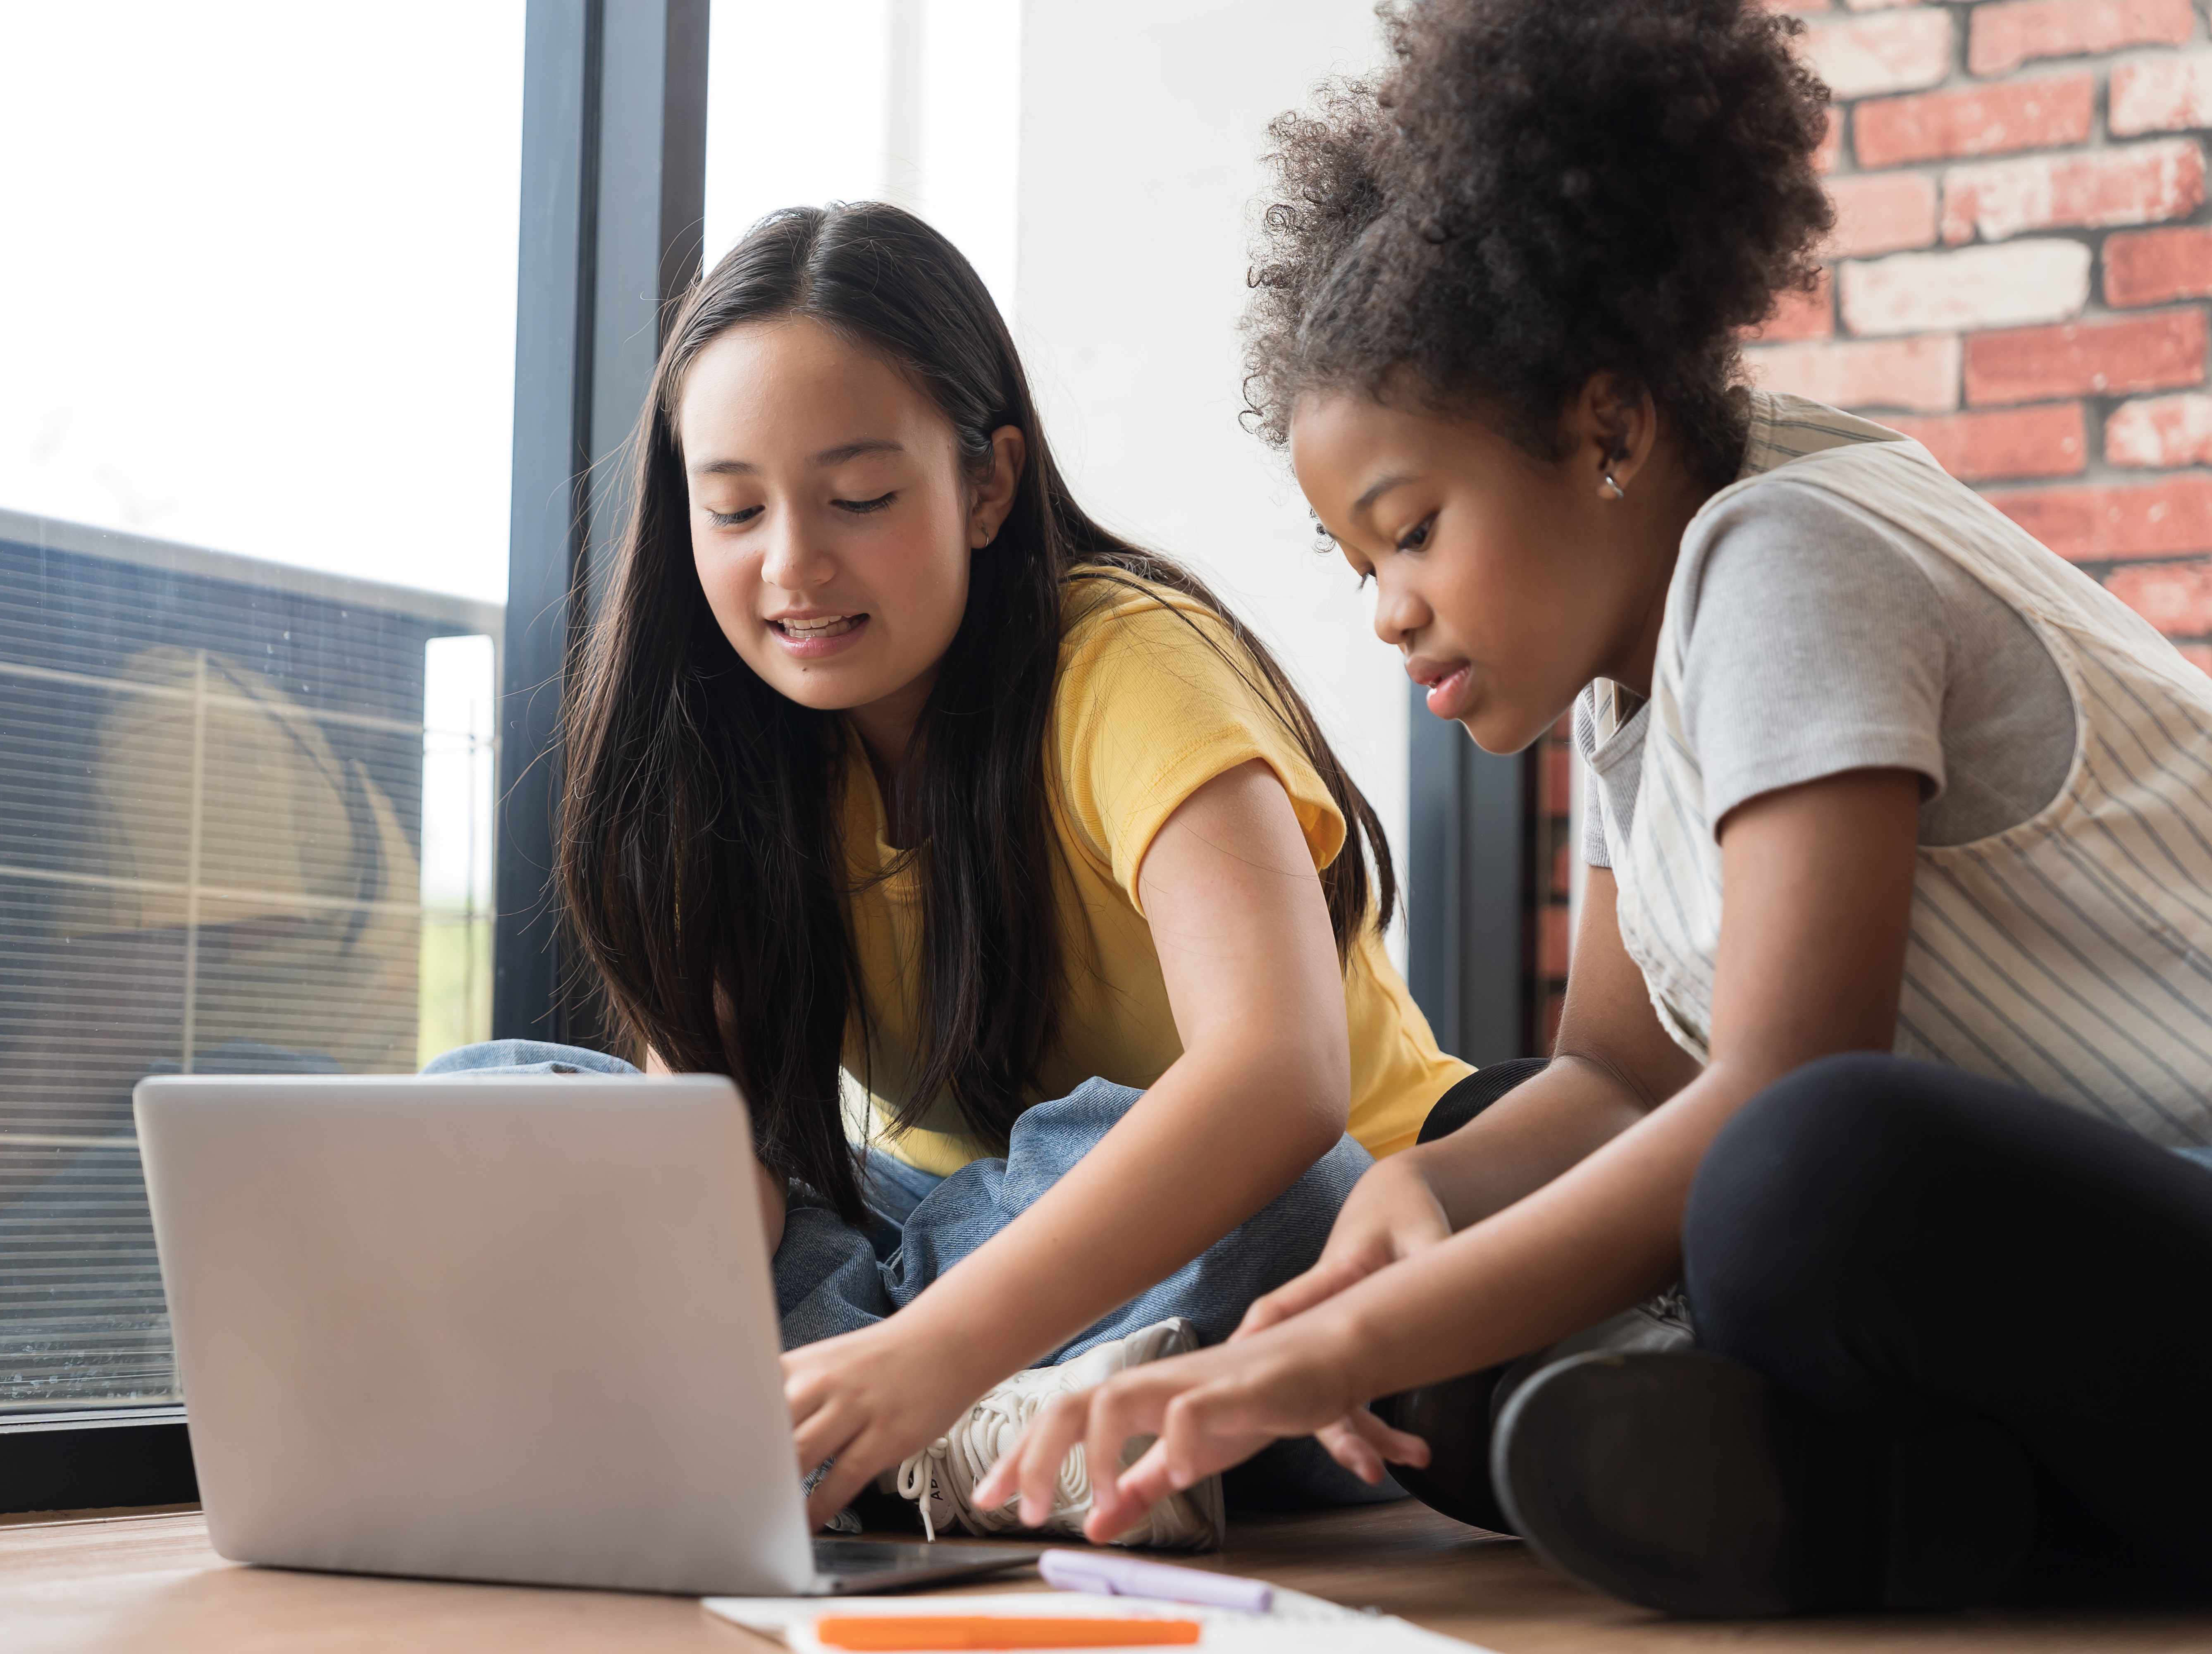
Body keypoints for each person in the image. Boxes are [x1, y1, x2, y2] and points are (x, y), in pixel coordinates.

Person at [973, 0, 2212, 1614]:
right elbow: (1616, 1067)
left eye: (1415, 529)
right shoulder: (1637, 644)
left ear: (1607, 429)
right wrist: (1424, 1201)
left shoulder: (1789, 559)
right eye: (1360, 564)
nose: (1389, 611)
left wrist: (1299, 1357)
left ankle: (1882, 1505)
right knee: (1463, 1295)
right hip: (2113, 1289)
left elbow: (1780, 1085)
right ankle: (1906, 1512)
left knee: (1803, 1170)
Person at [428, 200, 1474, 1545]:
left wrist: (921, 1357)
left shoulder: (1126, 660)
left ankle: (865, 1419)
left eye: (860, 500)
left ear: (987, 486)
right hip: (943, 1247)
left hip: (1283, 1258)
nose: (793, 564)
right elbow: (714, 1154)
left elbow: (1278, 1080)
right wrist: (674, 1258)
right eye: (736, 508)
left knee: (1299, 1203)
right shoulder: (730, 748)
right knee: (493, 1108)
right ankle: (974, 1432)